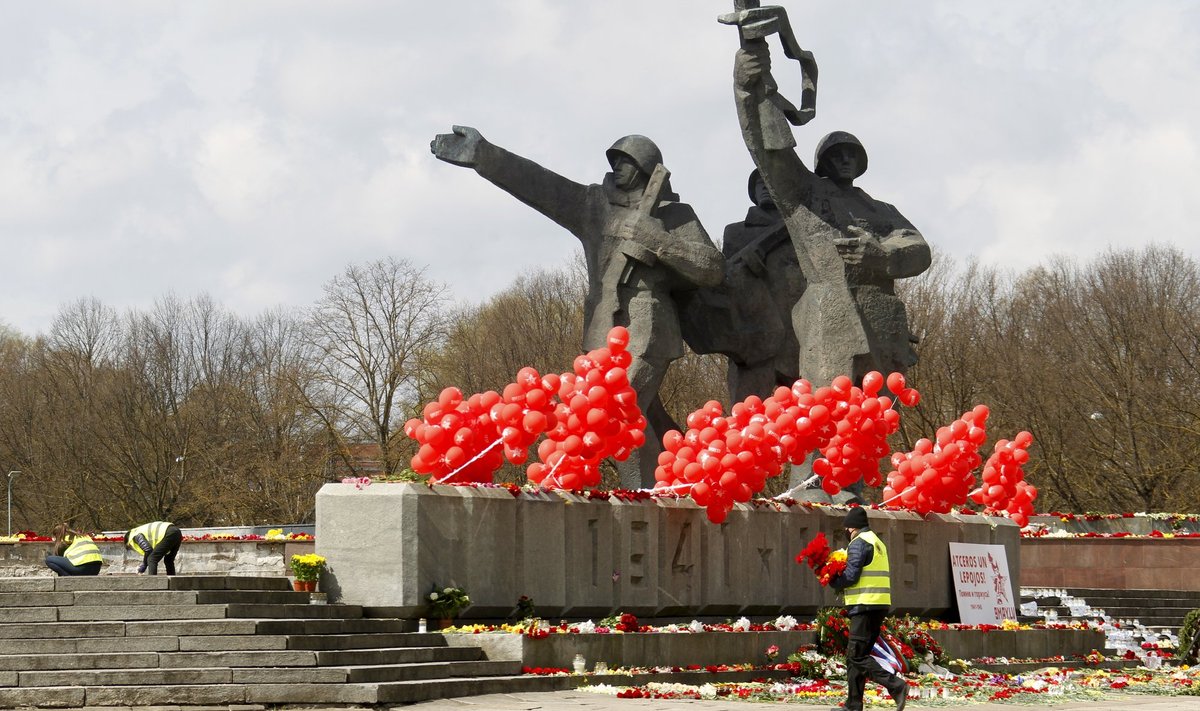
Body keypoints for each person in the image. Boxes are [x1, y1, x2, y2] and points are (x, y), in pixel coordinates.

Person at [431, 126, 724, 488]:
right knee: (645, 417)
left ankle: (642, 494)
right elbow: (541, 185)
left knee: (618, 412)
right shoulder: (594, 207)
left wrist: (658, 241)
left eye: (627, 161)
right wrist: (485, 155)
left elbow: (711, 267)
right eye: (614, 160)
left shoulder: (676, 214)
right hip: (603, 326)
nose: (617, 167)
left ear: (646, 168)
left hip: (648, 325)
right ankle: (689, 476)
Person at [733, 40, 931, 389]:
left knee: (879, 417)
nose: (844, 159)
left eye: (851, 154)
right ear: (822, 162)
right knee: (828, 417)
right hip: (829, 317)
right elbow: (768, 150)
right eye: (836, 154)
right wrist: (748, 89)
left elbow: (919, 250)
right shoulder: (804, 195)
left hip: (881, 322)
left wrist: (882, 255)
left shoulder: (882, 210)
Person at [829, 506, 908, 711]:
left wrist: (833, 579)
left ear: (851, 528)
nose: (846, 532)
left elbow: (851, 576)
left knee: (856, 656)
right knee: (855, 656)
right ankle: (853, 705)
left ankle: (895, 685)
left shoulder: (859, 543)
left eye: (846, 528)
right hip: (878, 604)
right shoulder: (877, 541)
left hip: (865, 605)